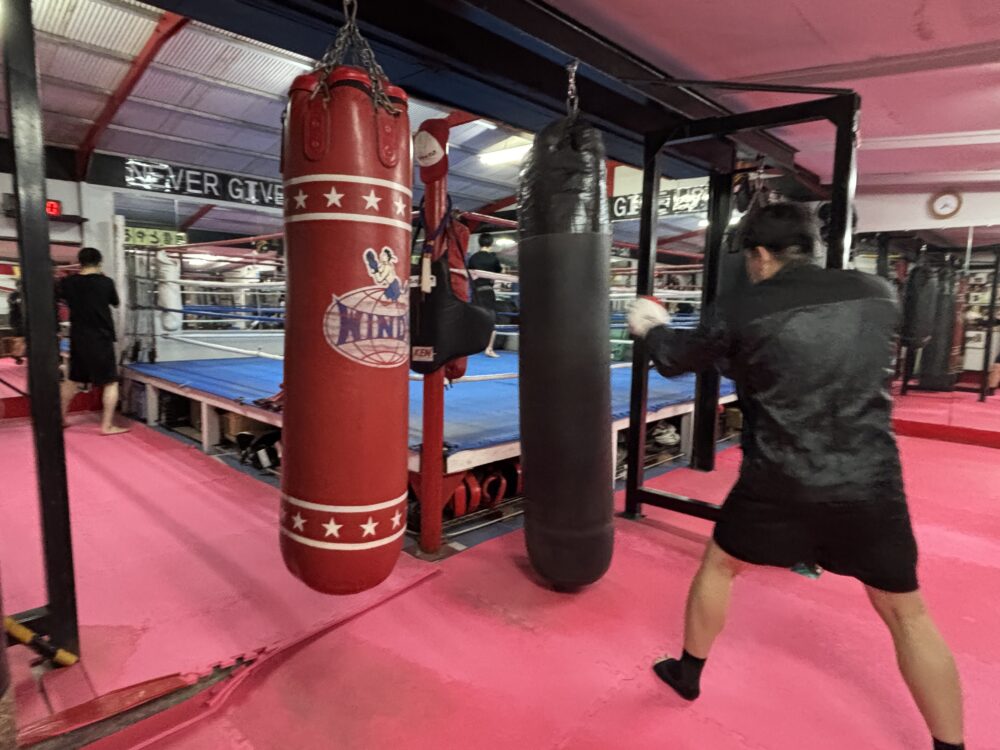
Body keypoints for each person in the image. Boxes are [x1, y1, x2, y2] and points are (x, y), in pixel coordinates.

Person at [628, 203, 964, 750]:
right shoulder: (878, 293)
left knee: (720, 566)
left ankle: (688, 673)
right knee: (908, 613)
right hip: (870, 481)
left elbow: (675, 358)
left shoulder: (742, 307)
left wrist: (650, 325)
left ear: (760, 255)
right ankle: (952, 745)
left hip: (778, 479)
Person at [58, 247, 128, 435]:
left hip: (78, 335)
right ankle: (106, 426)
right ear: (99, 262)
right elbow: (115, 303)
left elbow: (60, 298)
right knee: (110, 381)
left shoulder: (68, 282)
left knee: (72, 379)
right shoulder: (105, 282)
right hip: (100, 336)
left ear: (80, 262)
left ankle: (61, 418)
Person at [468, 232, 502, 357]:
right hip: (488, 290)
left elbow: (470, 274)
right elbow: (498, 273)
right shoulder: (493, 258)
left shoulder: (473, 258)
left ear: (479, 243)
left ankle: (471, 347)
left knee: (475, 317)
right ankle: (489, 348)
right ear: (491, 243)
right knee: (491, 319)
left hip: (476, 291)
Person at [6, 282, 25, 364]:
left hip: (19, 320)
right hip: (16, 320)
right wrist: (17, 301)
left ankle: (17, 354)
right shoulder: (13, 294)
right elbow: (12, 302)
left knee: (22, 338)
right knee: (21, 337)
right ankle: (16, 354)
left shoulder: (21, 294)